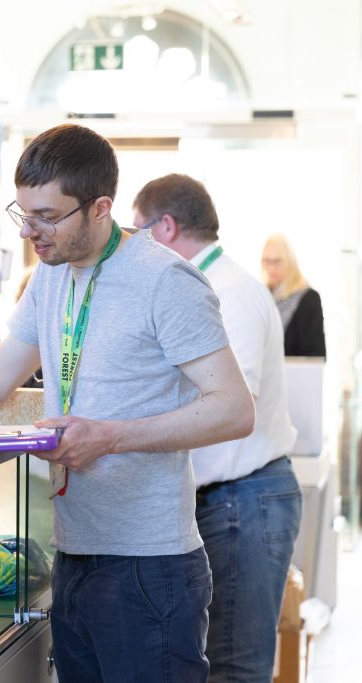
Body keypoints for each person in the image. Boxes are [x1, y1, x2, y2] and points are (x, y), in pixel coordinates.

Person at [0, 124, 255, 682]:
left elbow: (234, 409)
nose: (30, 233)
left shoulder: (166, 282)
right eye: (23, 214)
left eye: (47, 216)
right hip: (74, 553)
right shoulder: (52, 275)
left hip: (148, 566)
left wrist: (109, 436)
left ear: (100, 208)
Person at [134, 174, 302, 682]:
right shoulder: (205, 287)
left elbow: (233, 408)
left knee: (235, 666)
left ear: (166, 226)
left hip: (243, 500)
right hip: (227, 501)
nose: (133, 245)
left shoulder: (231, 292)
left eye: (138, 230)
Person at [261, 233, 325, 357]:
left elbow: (315, 356)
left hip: (296, 375)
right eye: (267, 261)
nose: (271, 268)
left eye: (277, 261)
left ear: (290, 262)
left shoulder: (309, 299)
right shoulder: (263, 296)